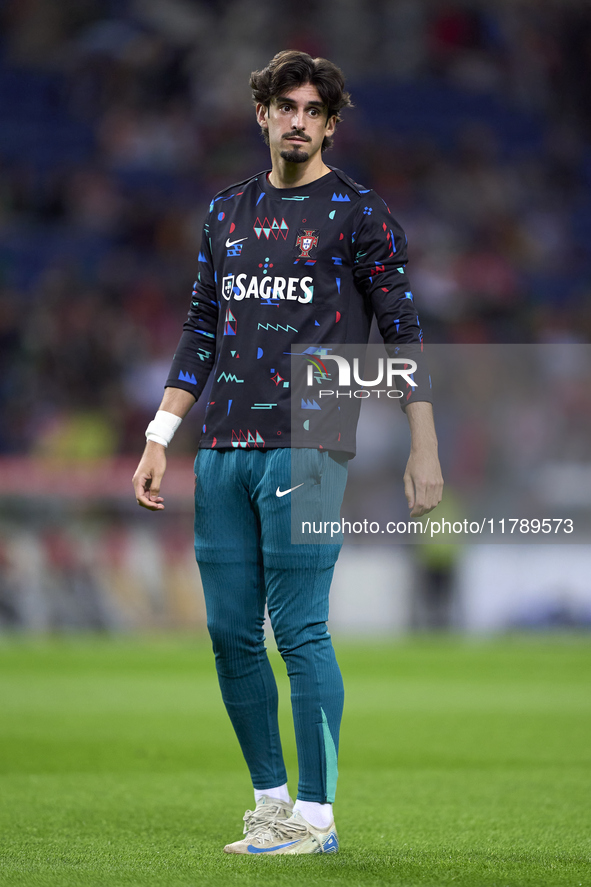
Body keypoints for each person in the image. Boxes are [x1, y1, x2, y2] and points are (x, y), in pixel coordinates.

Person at [132, 50, 443, 855]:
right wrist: (159, 435)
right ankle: (271, 804)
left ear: (330, 124)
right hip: (221, 447)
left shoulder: (359, 214)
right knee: (231, 633)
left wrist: (423, 443)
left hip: (309, 443)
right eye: (285, 105)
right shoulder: (223, 213)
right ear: (262, 115)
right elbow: (202, 327)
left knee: (298, 632)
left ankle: (317, 815)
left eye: (313, 109)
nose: (298, 119)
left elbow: (403, 331)